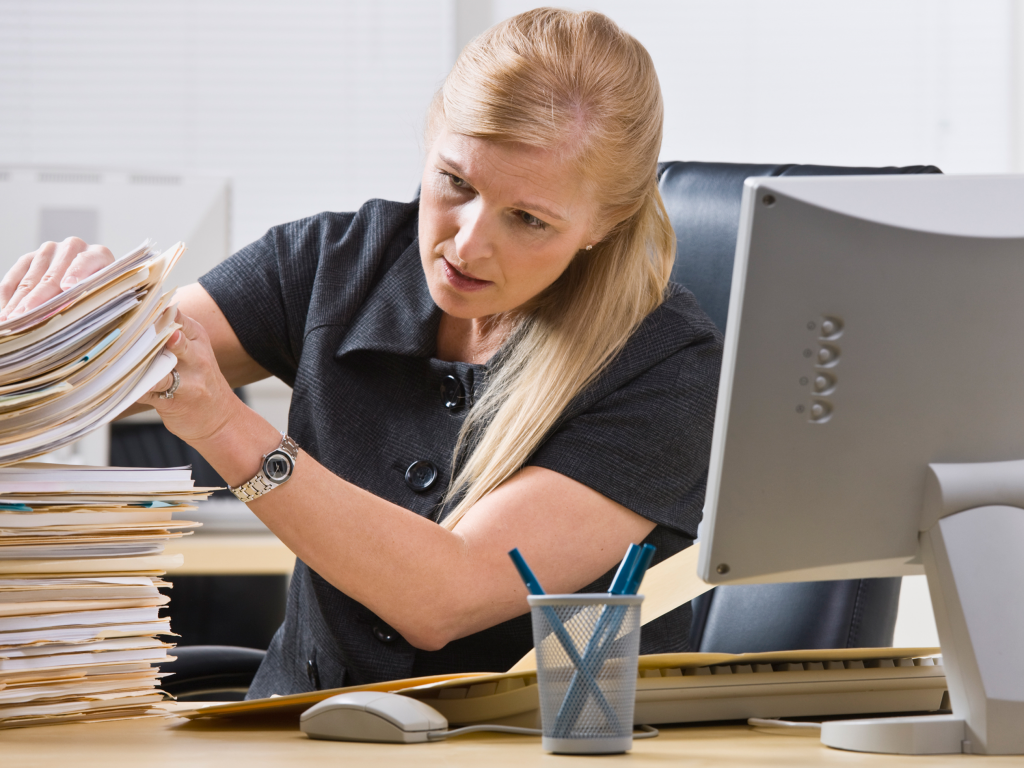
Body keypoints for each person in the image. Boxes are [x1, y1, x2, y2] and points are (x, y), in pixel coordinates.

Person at [0, 9, 721, 696]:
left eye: (527, 219)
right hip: (300, 731)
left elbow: (444, 596)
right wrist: (80, 321)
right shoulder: (333, 260)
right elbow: (117, 370)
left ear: (607, 220)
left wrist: (223, 425)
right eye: (454, 183)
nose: (466, 244)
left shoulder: (664, 366)